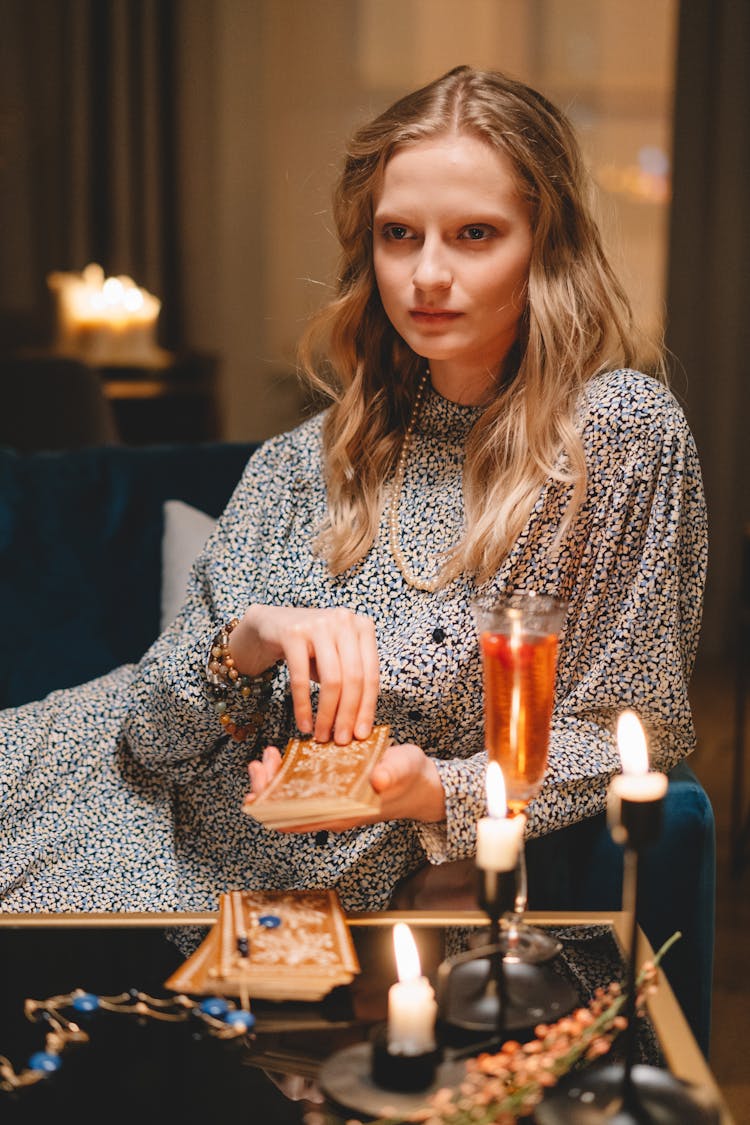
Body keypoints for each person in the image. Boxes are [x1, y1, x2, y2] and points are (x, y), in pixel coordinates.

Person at [0, 65, 706, 913]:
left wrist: (430, 791)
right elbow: (148, 740)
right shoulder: (308, 459)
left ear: (546, 244)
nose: (427, 274)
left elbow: (636, 729)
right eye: (399, 234)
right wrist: (247, 641)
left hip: (268, 900)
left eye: (475, 234)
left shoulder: (616, 433)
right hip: (87, 792)